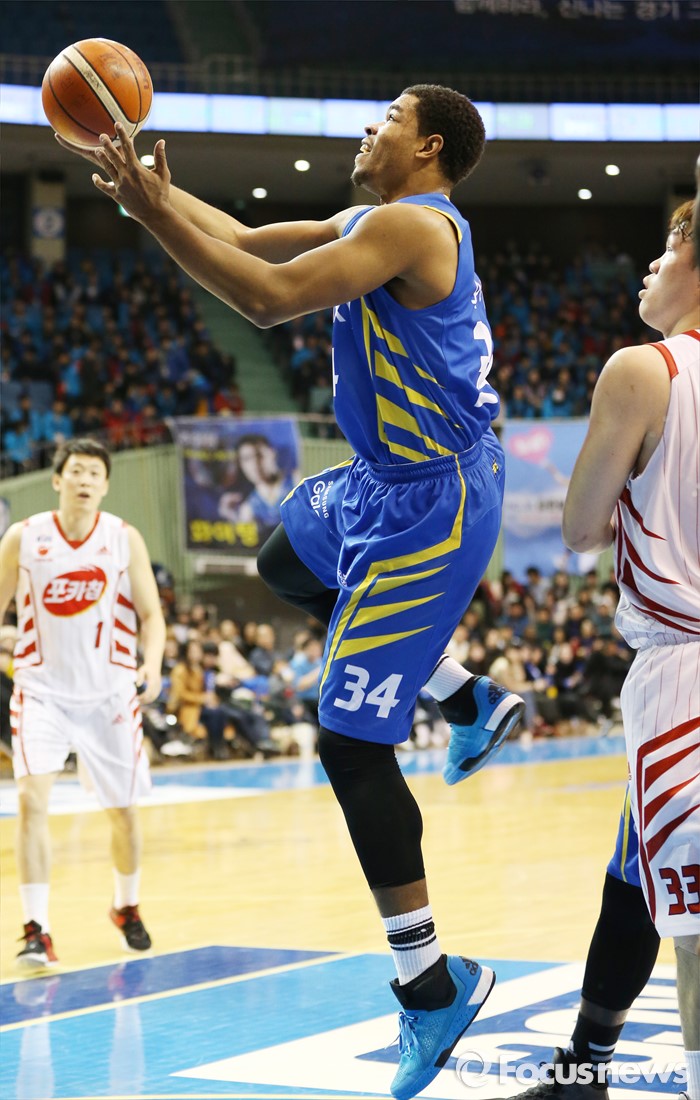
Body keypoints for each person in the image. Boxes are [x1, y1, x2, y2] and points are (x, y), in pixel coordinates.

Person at [58, 86, 525, 1098]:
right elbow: (243, 238)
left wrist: (151, 217)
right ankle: (464, 697)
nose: (368, 128)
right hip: (380, 480)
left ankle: (431, 982)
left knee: (348, 743)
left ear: (427, 146)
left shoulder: (414, 225)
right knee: (282, 563)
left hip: (433, 500)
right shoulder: (374, 218)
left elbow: (268, 300)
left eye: (386, 117)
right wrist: (155, 197)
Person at [503, 200, 700, 1100]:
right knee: (635, 872)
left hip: (682, 672)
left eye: (669, 244)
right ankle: (584, 1066)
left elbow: (580, 527)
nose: (649, 265)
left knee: (691, 925)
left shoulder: (642, 370)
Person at [0, 438, 166, 970]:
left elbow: (151, 615)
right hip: (41, 692)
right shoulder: (24, 537)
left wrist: (152, 664)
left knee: (124, 814)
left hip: (109, 693)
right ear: (58, 480)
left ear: (106, 485)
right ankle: (36, 929)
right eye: (76, 471)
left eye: (95, 472)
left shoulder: (123, 537)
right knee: (31, 803)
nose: (85, 479)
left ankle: (126, 906)